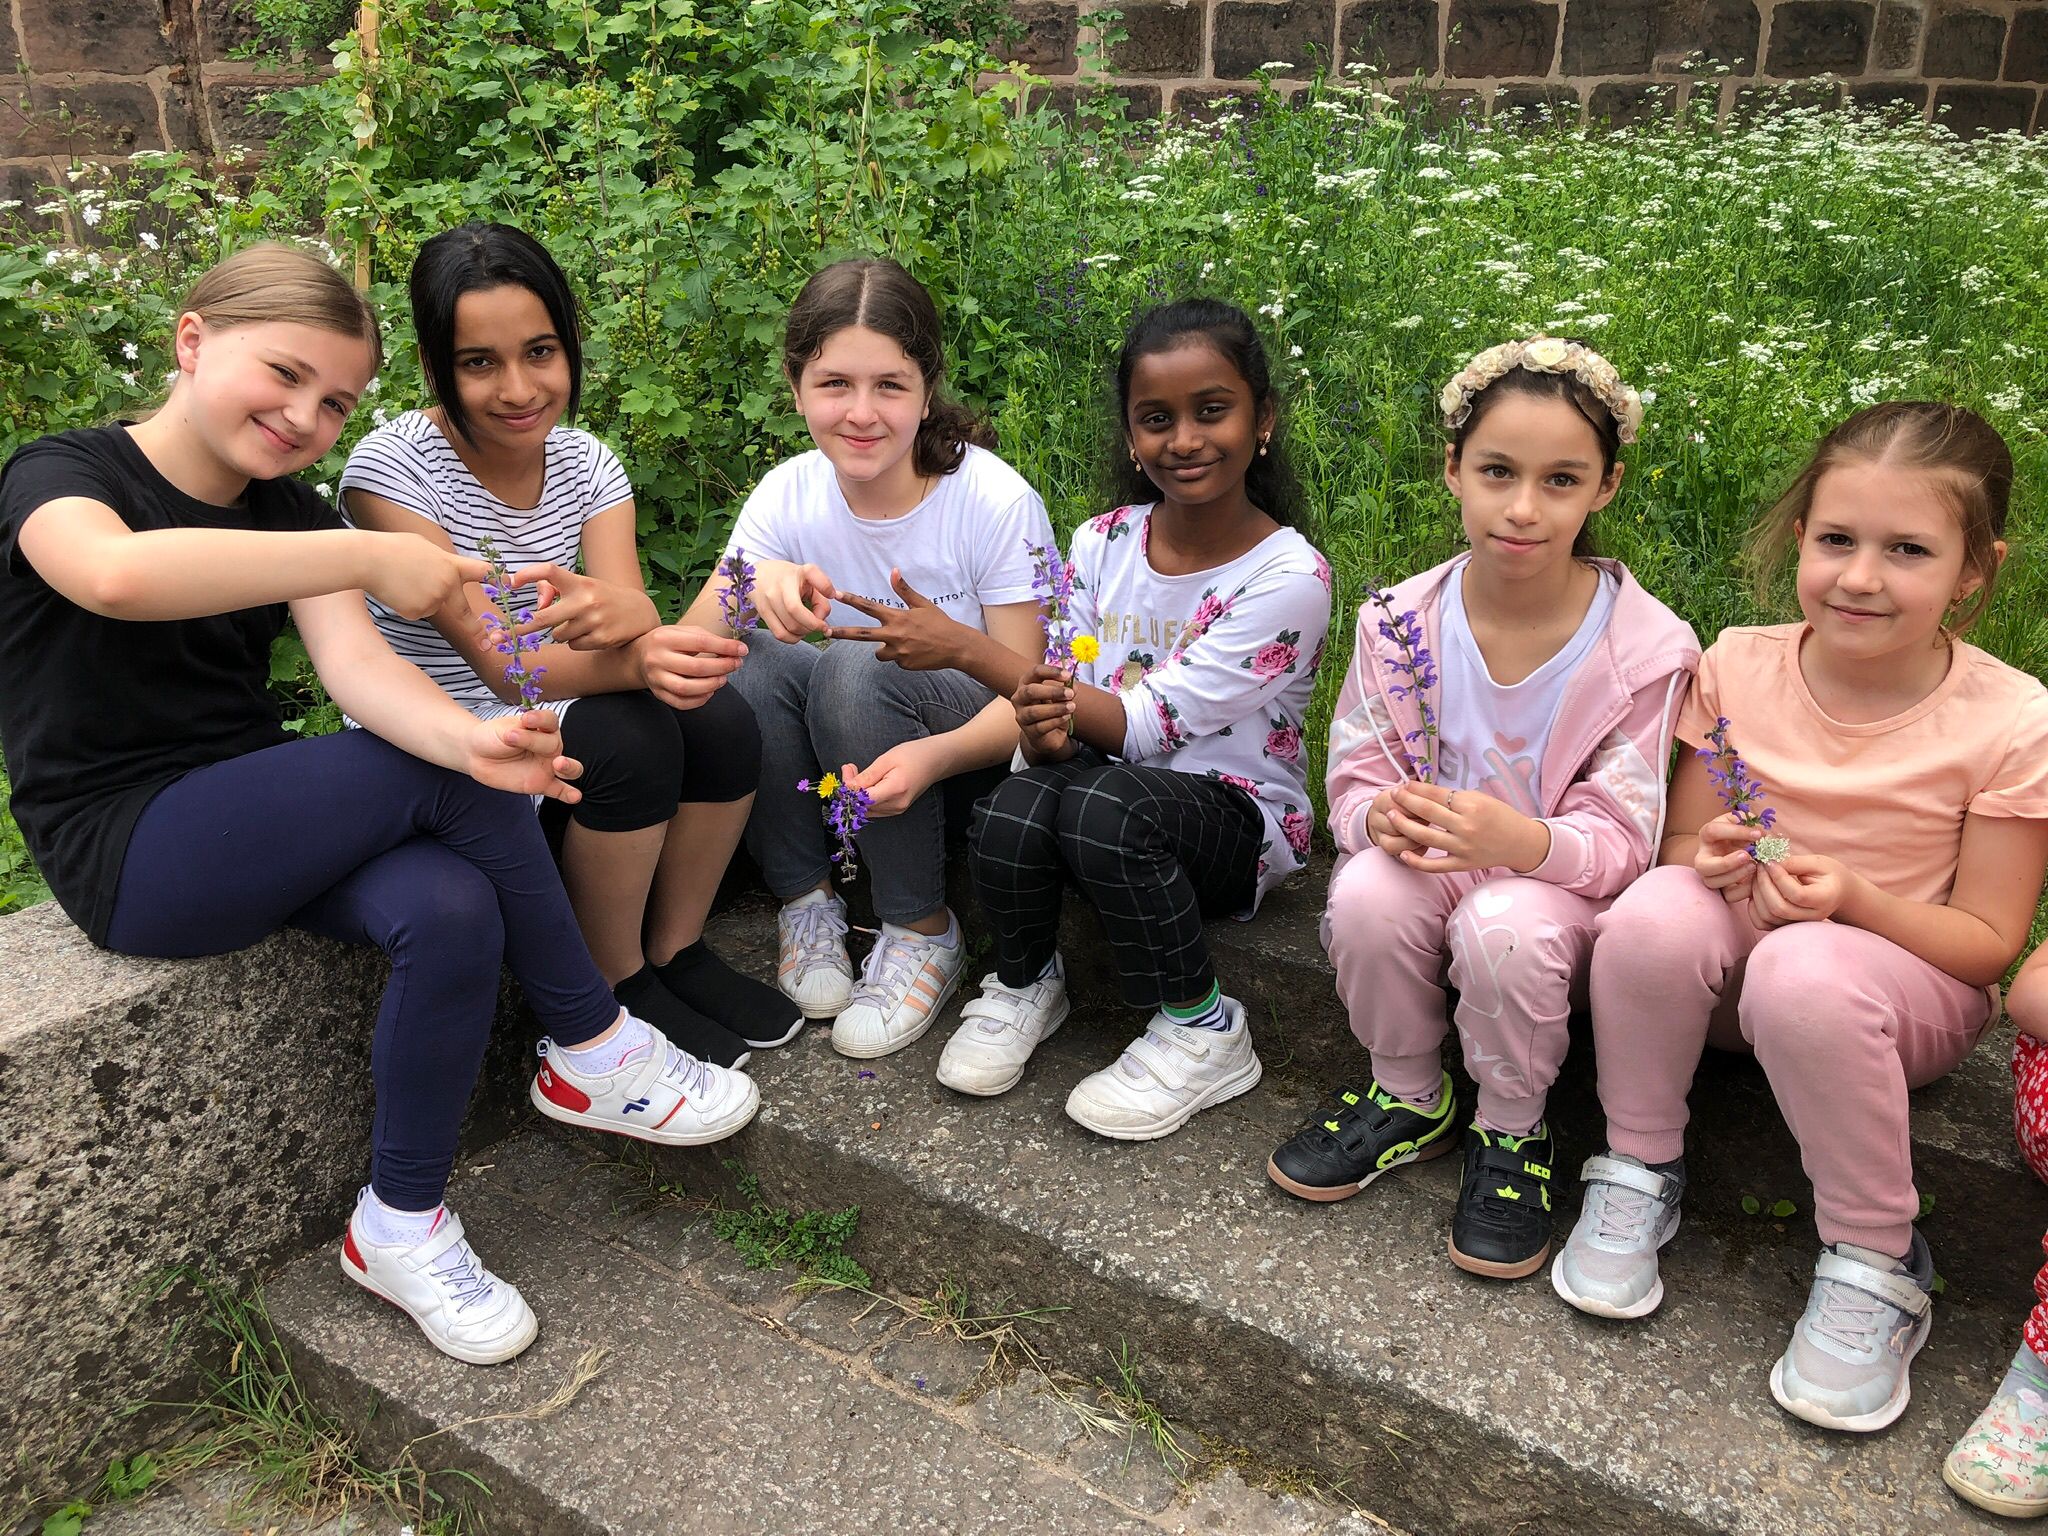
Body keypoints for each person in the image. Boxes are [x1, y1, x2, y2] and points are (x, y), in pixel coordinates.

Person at [0, 244, 756, 1367]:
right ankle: (589, 1041)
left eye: (337, 400)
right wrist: (357, 550)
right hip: (128, 844)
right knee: (445, 782)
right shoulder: (63, 473)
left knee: (451, 907)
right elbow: (113, 577)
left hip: (249, 805)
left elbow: (358, 674)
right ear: (192, 339)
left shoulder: (286, 507)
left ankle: (398, 1226)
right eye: (285, 376)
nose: (307, 416)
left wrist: (474, 736)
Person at [1557, 403, 2048, 1437]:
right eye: (1835, 540)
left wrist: (1855, 904)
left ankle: (1876, 1254)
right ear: (1799, 541)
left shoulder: (2010, 720)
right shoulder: (1739, 661)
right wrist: (1713, 857)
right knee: (1651, 911)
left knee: (1807, 971)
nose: (1859, 576)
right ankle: (1637, 1166)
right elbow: (1683, 846)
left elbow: (1988, 949)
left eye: (1906, 550)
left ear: (1972, 568)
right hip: (1733, 982)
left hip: (1882, 1008)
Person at [1268, 336, 1697, 1281]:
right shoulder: (1399, 622)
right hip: (1438, 862)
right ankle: (1410, 1092)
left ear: (1606, 489)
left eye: (1560, 480)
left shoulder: (1645, 648)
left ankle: (1513, 1129)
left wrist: (1527, 842)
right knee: (1368, 894)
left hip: (1557, 890)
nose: (1522, 508)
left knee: (1504, 926)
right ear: (1453, 469)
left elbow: (1628, 831)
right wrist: (1376, 818)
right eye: (1497, 471)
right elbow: (1360, 761)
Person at [342, 222, 793, 1067]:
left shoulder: (588, 464)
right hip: (443, 733)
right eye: (479, 362)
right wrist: (638, 645)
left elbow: (624, 610)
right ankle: (610, 983)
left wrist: (633, 625)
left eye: (540, 351)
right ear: (437, 367)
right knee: (629, 734)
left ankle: (677, 948)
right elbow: (503, 663)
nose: (518, 388)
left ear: (570, 344)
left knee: (719, 719)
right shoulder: (391, 473)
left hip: (554, 698)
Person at [944, 297, 1330, 1138]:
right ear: (1130, 436)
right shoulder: (1102, 541)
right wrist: (1043, 725)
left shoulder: (1288, 576)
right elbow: (1063, 687)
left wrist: (967, 649)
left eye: (1211, 411)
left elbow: (1147, 727)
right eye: (1156, 419)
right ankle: (1026, 982)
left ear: (1262, 419)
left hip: (1230, 820)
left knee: (1104, 802)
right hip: (1106, 795)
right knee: (1011, 804)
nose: (1184, 439)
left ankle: (1204, 1027)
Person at [682, 257, 1053, 1060]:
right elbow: (689, 647)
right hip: (844, 757)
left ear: (927, 389)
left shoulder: (991, 502)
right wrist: (753, 583)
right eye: (833, 384)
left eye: (890, 385)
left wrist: (935, 754)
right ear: (795, 386)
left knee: (856, 664)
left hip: (963, 757)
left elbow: (1031, 696)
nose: (861, 413)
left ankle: (921, 926)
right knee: (741, 655)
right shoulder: (787, 494)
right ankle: (807, 900)